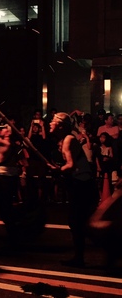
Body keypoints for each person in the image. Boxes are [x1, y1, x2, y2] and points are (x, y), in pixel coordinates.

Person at [48, 112, 99, 268]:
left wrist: (59, 170)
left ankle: (83, 256)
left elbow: (70, 166)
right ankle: (80, 256)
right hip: (80, 183)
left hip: (82, 184)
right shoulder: (65, 139)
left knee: (78, 222)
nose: (50, 123)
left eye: (53, 121)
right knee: (77, 222)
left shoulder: (69, 139)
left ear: (61, 125)